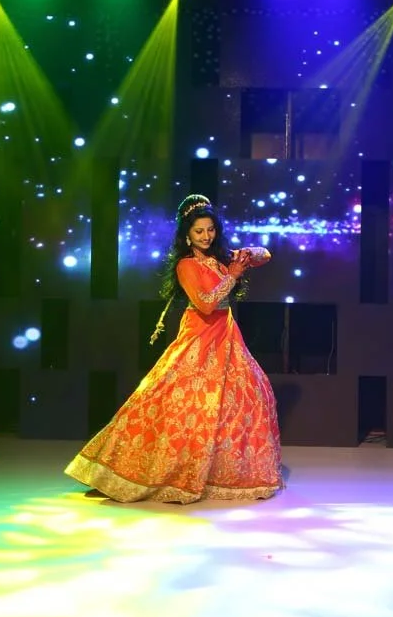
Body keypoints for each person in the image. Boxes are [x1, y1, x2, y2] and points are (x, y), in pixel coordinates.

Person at [64, 194, 282, 503]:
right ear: (186, 235)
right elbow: (206, 304)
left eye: (210, 230)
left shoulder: (220, 257)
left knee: (248, 399)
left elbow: (266, 256)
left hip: (227, 338)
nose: (206, 236)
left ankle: (219, 473)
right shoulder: (186, 265)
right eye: (199, 231)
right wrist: (233, 274)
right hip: (199, 337)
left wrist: (250, 253)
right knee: (172, 403)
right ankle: (128, 471)